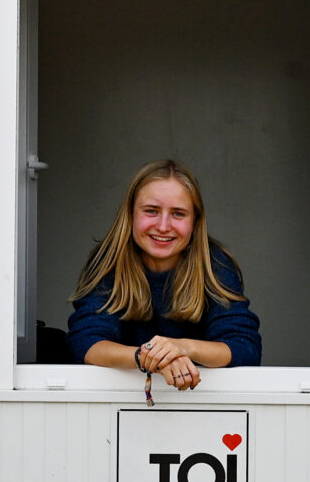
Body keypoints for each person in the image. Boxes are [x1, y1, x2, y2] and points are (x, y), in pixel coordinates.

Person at [66, 159, 262, 389]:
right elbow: (86, 344)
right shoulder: (109, 261)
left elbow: (244, 347)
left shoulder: (213, 265)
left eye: (178, 214)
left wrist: (182, 348)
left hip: (199, 398)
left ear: (195, 221)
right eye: (151, 211)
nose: (163, 226)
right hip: (121, 396)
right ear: (130, 213)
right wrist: (149, 357)